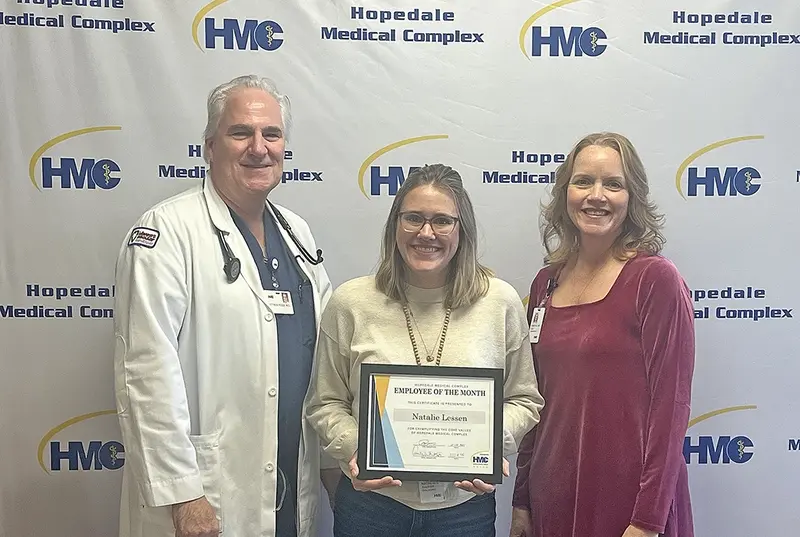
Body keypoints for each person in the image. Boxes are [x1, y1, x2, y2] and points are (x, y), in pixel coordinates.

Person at [113, 75, 335, 537]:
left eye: (272, 134)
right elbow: (145, 372)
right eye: (241, 133)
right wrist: (183, 494)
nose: (259, 147)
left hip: (290, 483)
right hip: (205, 493)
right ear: (209, 147)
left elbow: (334, 349)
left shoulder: (297, 234)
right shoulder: (167, 232)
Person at [305, 164, 544, 537]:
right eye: (413, 218)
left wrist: (487, 444)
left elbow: (524, 399)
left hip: (464, 513)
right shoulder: (351, 302)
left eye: (442, 221)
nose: (426, 233)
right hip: (372, 508)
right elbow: (325, 402)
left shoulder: (500, 302)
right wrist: (359, 451)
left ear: (461, 229)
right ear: (394, 225)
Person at [510, 132, 695, 537]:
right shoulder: (545, 284)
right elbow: (535, 402)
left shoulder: (654, 280)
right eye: (583, 182)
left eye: (613, 184)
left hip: (630, 503)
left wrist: (647, 521)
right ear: (565, 193)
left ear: (632, 198)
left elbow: (671, 409)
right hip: (552, 495)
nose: (597, 195)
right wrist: (521, 499)